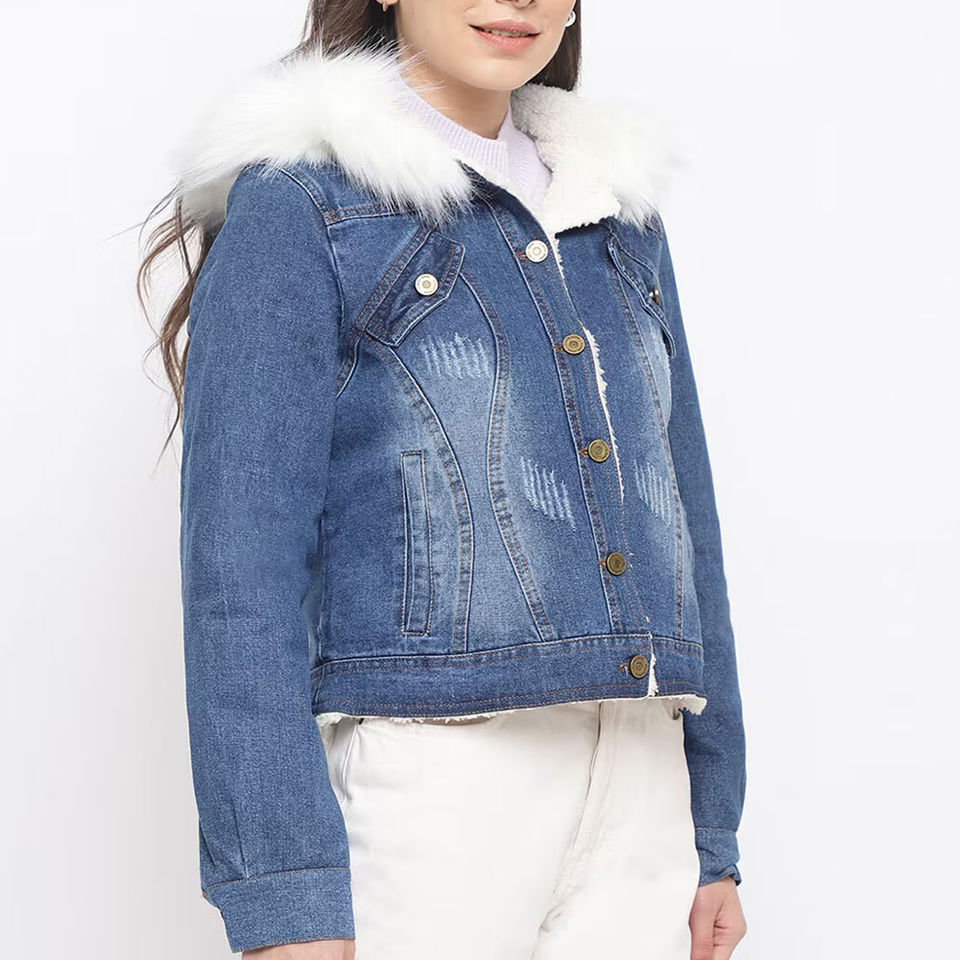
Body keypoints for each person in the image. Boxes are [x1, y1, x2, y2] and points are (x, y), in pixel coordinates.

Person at [137, 2, 748, 958]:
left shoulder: (617, 211)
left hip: (643, 786)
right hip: (437, 784)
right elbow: (239, 575)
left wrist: (712, 832)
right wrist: (286, 897)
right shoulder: (304, 203)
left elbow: (685, 514)